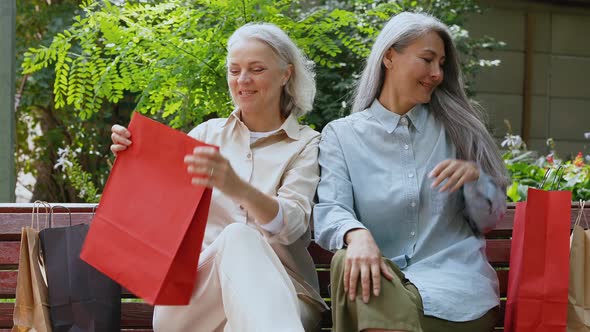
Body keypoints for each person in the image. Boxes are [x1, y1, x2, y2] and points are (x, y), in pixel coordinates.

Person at [110, 23, 328, 332]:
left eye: (256, 69)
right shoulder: (205, 136)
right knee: (238, 237)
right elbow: (157, 213)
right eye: (234, 70)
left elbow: (290, 227)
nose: (243, 80)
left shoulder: (307, 145)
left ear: (285, 74)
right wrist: (130, 159)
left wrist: (236, 187)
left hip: (285, 295)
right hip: (193, 300)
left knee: (241, 307)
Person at [313, 12, 508, 332]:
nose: (437, 73)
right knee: (351, 260)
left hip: (455, 298)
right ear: (389, 56)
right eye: (427, 59)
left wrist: (475, 179)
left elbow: (489, 220)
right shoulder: (341, 135)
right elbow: (332, 207)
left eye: (441, 64)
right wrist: (356, 234)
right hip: (379, 286)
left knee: (366, 289)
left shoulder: (459, 130)